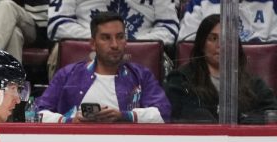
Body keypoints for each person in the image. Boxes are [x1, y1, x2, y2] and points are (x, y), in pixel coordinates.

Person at [36, 11, 171, 123]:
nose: (114, 45)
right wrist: (69, 121)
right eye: (106, 38)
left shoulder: (141, 75)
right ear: (93, 44)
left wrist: (125, 116)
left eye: (120, 37)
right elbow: (37, 114)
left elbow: (163, 113)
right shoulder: (67, 74)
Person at [165, 14, 277, 123]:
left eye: (227, 39)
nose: (220, 45)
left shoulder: (252, 82)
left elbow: (271, 112)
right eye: (213, 38)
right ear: (201, 44)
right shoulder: (181, 79)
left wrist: (244, 121)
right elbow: (178, 115)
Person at [47, 0, 178, 79]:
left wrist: (131, 45)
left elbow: (169, 28)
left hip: (143, 45)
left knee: (163, 59)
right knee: (59, 51)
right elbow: (57, 25)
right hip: (86, 42)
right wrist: (100, 40)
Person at [178, 0, 277, 42]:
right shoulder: (200, 3)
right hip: (208, 78)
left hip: (258, 76)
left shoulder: (272, 4)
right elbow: (187, 49)